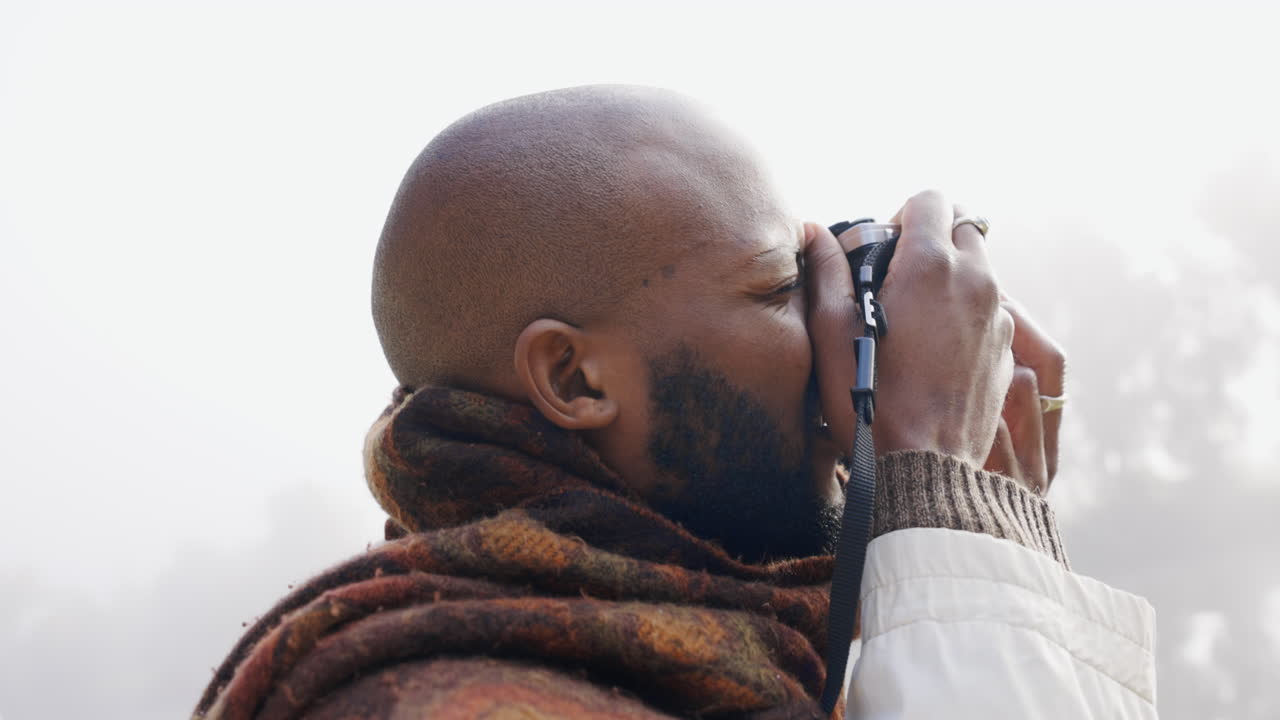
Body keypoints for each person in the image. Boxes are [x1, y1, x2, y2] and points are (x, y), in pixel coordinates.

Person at [194, 85, 1157, 719]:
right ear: (575, 381)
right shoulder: (436, 696)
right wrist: (956, 522)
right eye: (782, 288)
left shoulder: (777, 655)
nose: (841, 331)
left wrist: (966, 532)